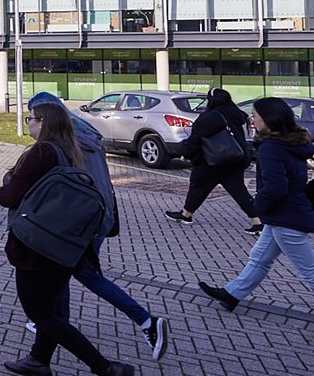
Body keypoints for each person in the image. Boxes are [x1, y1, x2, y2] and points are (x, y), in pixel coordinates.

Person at [0, 102, 136, 376]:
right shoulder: (70, 153)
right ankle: (38, 362)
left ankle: (108, 370)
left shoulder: (40, 152)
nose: (29, 123)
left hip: (37, 247)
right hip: (65, 246)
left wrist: (4, 185)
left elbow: (9, 197)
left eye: (31, 119)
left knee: (41, 314)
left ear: (44, 123)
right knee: (51, 311)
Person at [26, 93, 169, 361]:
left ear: (46, 116)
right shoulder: (84, 133)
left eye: (33, 116)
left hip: (82, 222)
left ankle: (146, 321)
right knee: (61, 272)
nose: (30, 122)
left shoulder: (65, 142)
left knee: (83, 274)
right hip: (97, 216)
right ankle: (53, 324)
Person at [200, 98, 314, 311]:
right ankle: (231, 294)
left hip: (286, 216)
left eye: (255, 116)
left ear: (269, 120)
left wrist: (258, 205)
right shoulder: (293, 143)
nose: (252, 120)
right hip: (287, 212)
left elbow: (276, 187)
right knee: (259, 258)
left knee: (309, 269)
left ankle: (232, 294)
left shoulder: (270, 148)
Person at [168, 87, 262, 235]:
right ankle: (258, 221)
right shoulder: (239, 115)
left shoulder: (208, 118)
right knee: (239, 191)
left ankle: (186, 215)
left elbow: (196, 139)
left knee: (198, 187)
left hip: (211, 161)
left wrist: (185, 153)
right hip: (235, 157)